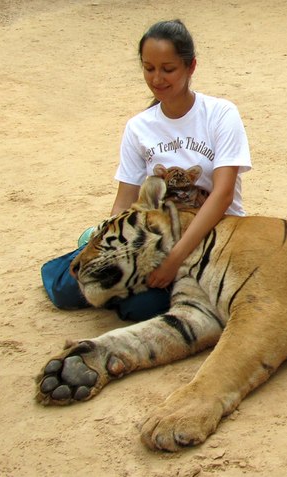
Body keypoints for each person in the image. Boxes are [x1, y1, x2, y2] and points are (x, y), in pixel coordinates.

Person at [41, 19, 252, 321]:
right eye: (148, 68)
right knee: (65, 289)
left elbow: (223, 194)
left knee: (138, 308)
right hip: (151, 240)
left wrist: (174, 260)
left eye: (168, 69)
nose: (157, 78)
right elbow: (125, 197)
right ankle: (82, 245)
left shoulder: (220, 114)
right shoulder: (138, 127)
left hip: (212, 236)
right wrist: (105, 242)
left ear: (191, 67)